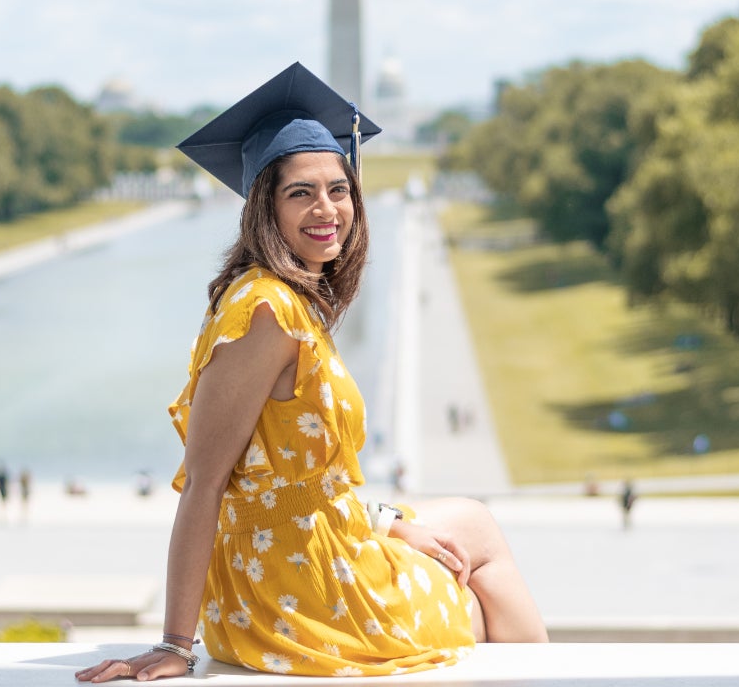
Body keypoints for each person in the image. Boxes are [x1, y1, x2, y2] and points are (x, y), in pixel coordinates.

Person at [76, 63, 545, 684]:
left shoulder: (282, 298)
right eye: (301, 192)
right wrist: (175, 646)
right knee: (482, 582)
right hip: (294, 593)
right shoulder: (266, 309)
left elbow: (300, 476)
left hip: (304, 552)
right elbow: (205, 483)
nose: (327, 209)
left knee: (470, 523)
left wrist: (391, 524)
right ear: (263, 206)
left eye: (339, 189)